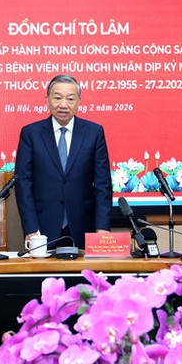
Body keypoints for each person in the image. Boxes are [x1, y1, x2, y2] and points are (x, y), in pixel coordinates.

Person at [14, 74, 113, 250]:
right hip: (42, 228)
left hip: (84, 226)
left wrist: (102, 228)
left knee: (83, 277)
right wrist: (31, 228)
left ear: (79, 101)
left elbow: (103, 184)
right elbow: (23, 184)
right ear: (47, 100)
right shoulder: (31, 134)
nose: (63, 105)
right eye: (57, 98)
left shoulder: (94, 133)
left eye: (70, 99)